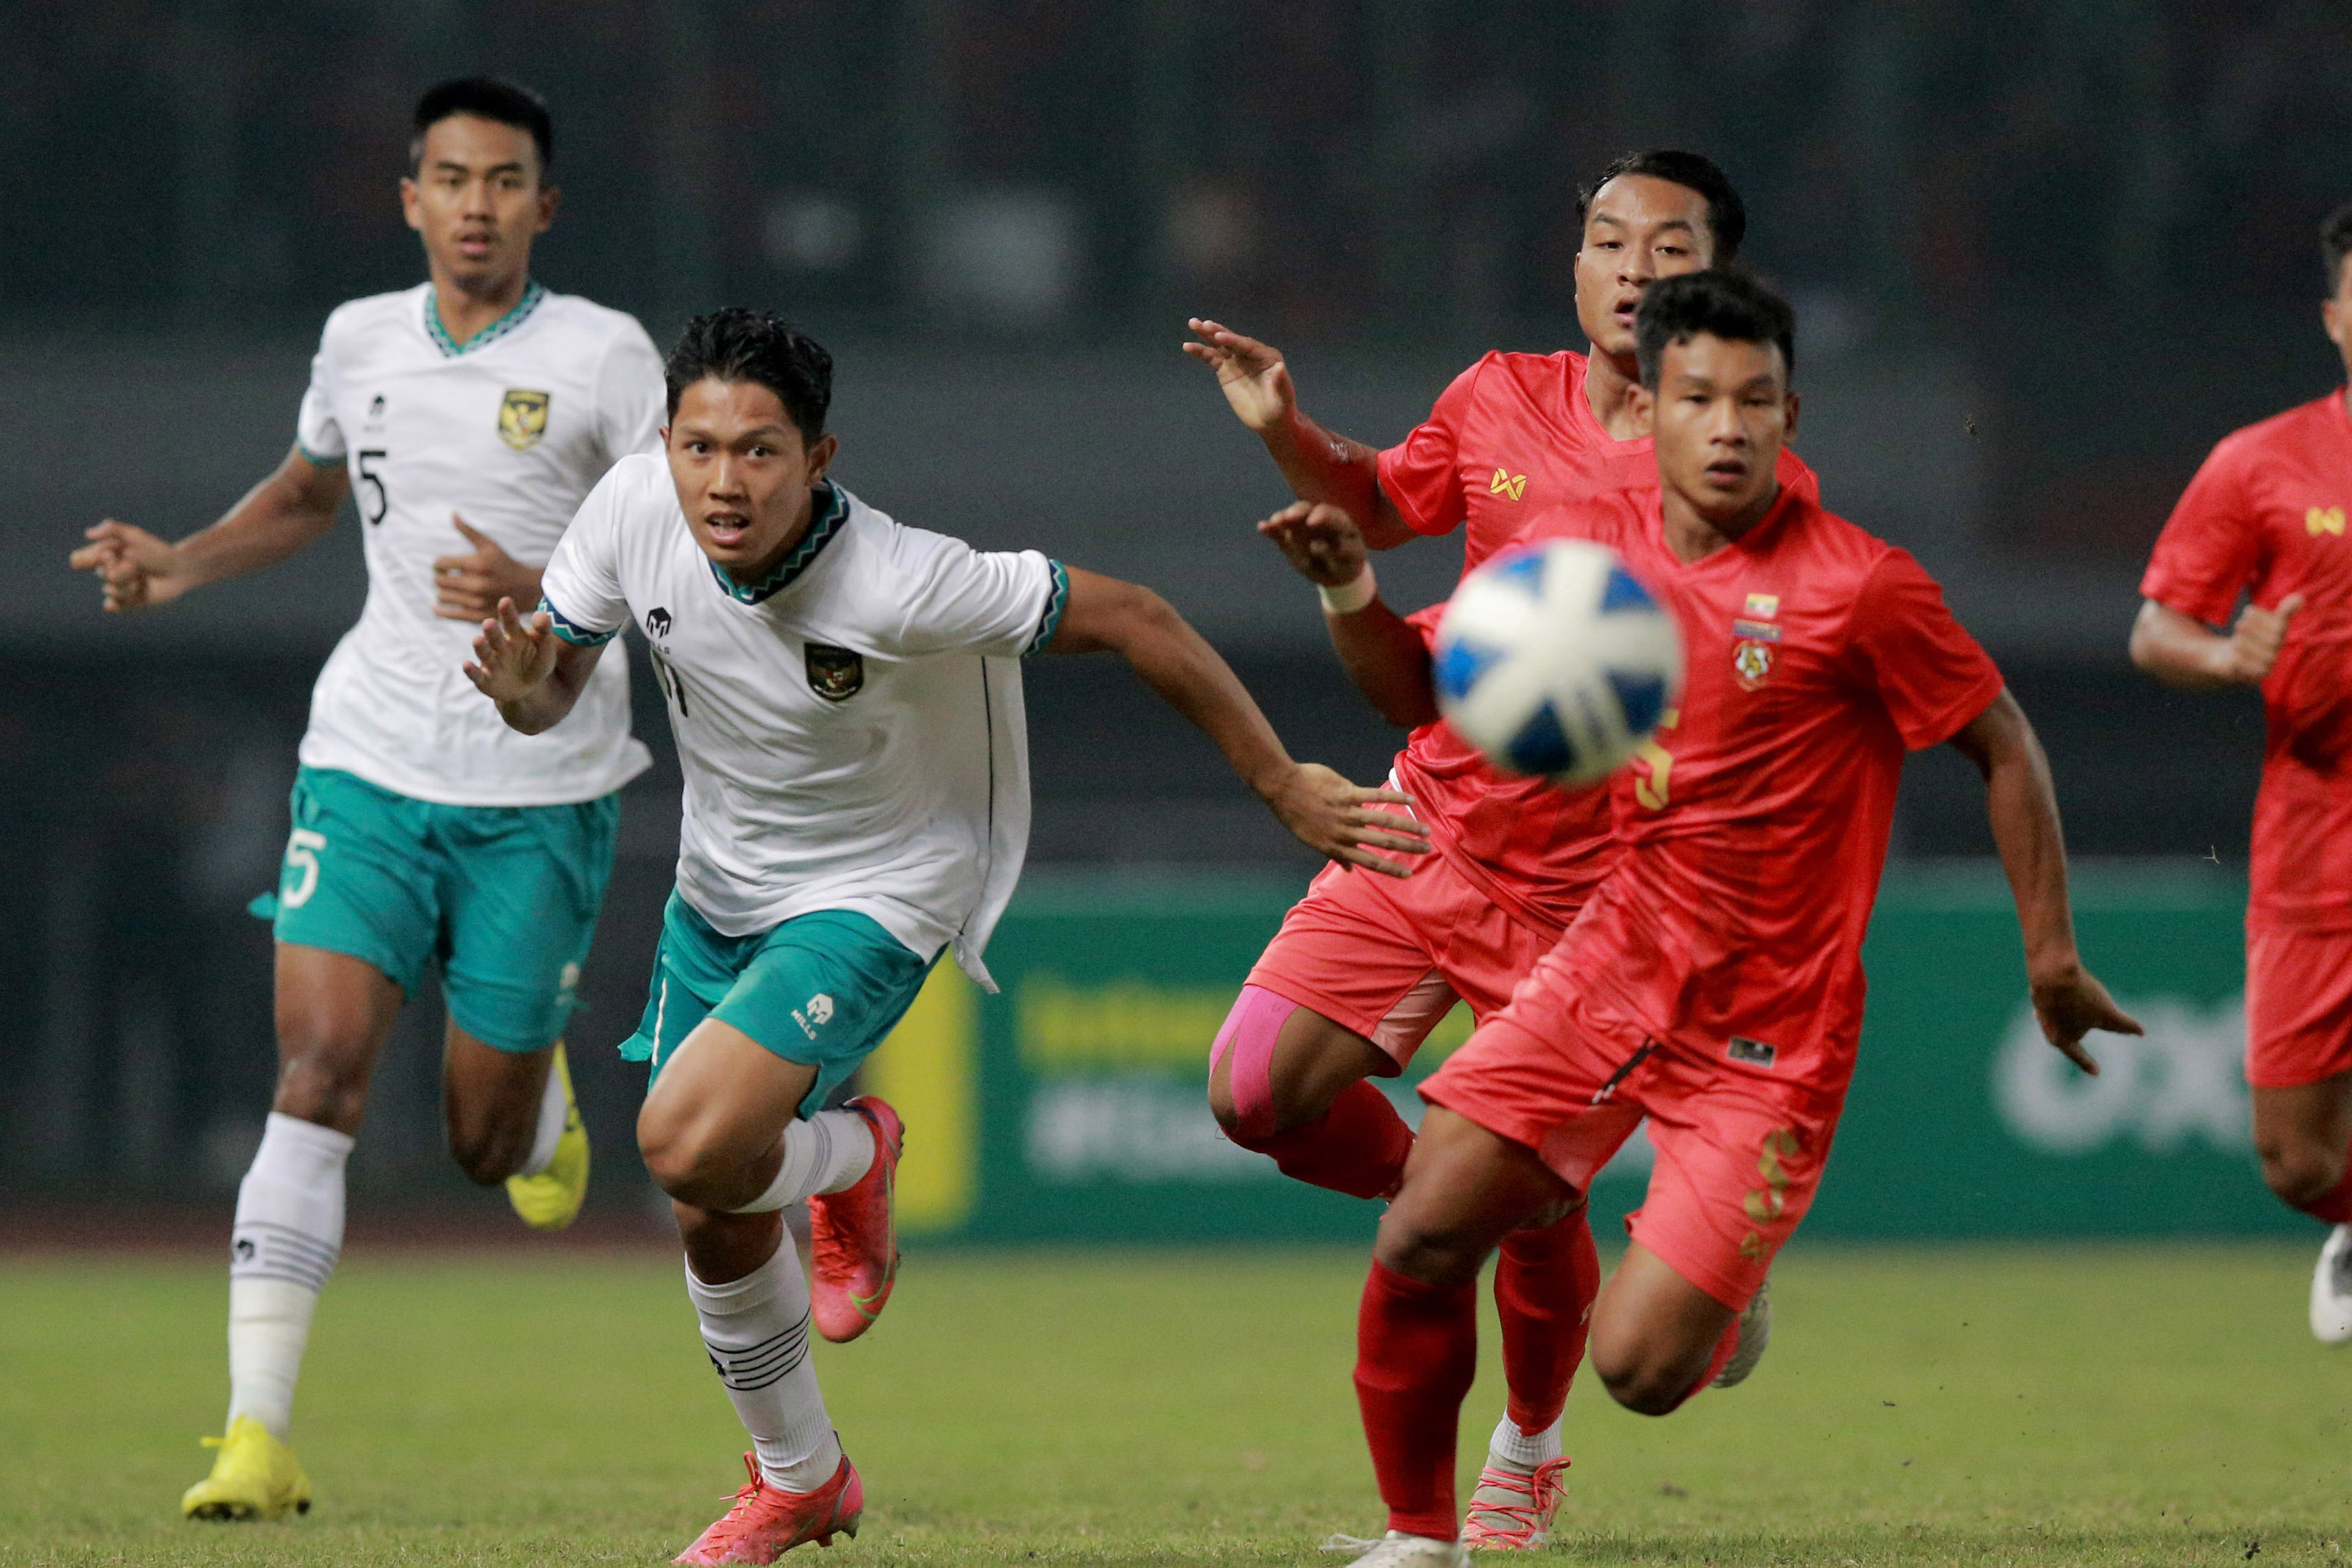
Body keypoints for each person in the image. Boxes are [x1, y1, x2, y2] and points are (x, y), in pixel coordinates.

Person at [465, 307, 1428, 1564]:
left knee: (681, 1138)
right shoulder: (629, 511)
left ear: (819, 457)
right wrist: (520, 684)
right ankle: (800, 1476)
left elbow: (1137, 617)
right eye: (698, 446)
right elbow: (549, 700)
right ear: (665, 442)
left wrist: (1280, 781)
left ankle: (853, 1154)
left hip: (881, 884)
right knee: (709, 1201)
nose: (723, 480)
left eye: (759, 450)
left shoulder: (902, 577)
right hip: (718, 886)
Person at [1323, 270, 2141, 1567]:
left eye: (1754, 399)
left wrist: (2048, 953)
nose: (1725, 424)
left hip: (1771, 1032)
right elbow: (1422, 683)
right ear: (1650, 411)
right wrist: (1348, 591)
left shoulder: (1860, 588)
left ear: (1789, 414)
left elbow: (2002, 744)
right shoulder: (1586, 564)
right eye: (1697, 395)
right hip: (1607, 966)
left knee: (1638, 1369)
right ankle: (1421, 1540)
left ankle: (1714, 1290)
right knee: (1425, 1226)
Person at [1187, 150, 1808, 1549]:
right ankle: (1504, 1187)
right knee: (1251, 1090)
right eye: (1605, 240)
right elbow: (1382, 504)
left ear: (1714, 285)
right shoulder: (1493, 397)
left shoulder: (1740, 472)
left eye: (1666, 249)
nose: (1630, 269)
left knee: (1492, 1192)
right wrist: (1283, 427)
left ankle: (1519, 1451)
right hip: (1436, 833)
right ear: (1572, 266)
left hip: (1613, 906)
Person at [66, 78, 665, 1522]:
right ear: (409, 200)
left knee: (473, 1138)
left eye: (504, 180)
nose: (475, 203)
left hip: (541, 782)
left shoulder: (605, 358)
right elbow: (304, 494)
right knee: (318, 1072)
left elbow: (682, 546)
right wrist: (178, 565)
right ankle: (254, 1439)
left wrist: (539, 588)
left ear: (544, 205)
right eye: (449, 178)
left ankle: (533, 1120)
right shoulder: (358, 340)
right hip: (370, 761)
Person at [2129, 201, 2352, 1343]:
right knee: (2294, 1156)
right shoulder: (2260, 463)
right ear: (2332, 315)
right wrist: (2227, 652)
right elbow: (2153, 628)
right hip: (2315, 846)